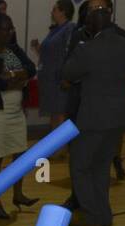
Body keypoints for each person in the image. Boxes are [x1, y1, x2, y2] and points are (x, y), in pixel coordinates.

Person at [0, 13, 38, 219]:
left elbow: (30, 69)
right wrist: (17, 78)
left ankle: (18, 194)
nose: (11, 32)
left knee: (21, 153)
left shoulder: (11, 51)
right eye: (7, 28)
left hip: (15, 110)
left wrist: (13, 75)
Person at [32, 0, 77, 131]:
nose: (52, 12)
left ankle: (61, 148)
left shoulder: (69, 28)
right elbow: (50, 53)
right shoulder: (55, 29)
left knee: (60, 113)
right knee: (54, 114)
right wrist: (38, 47)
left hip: (59, 79)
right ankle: (55, 147)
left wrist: (66, 76)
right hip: (49, 80)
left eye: (55, 9)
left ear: (63, 12)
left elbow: (70, 53)